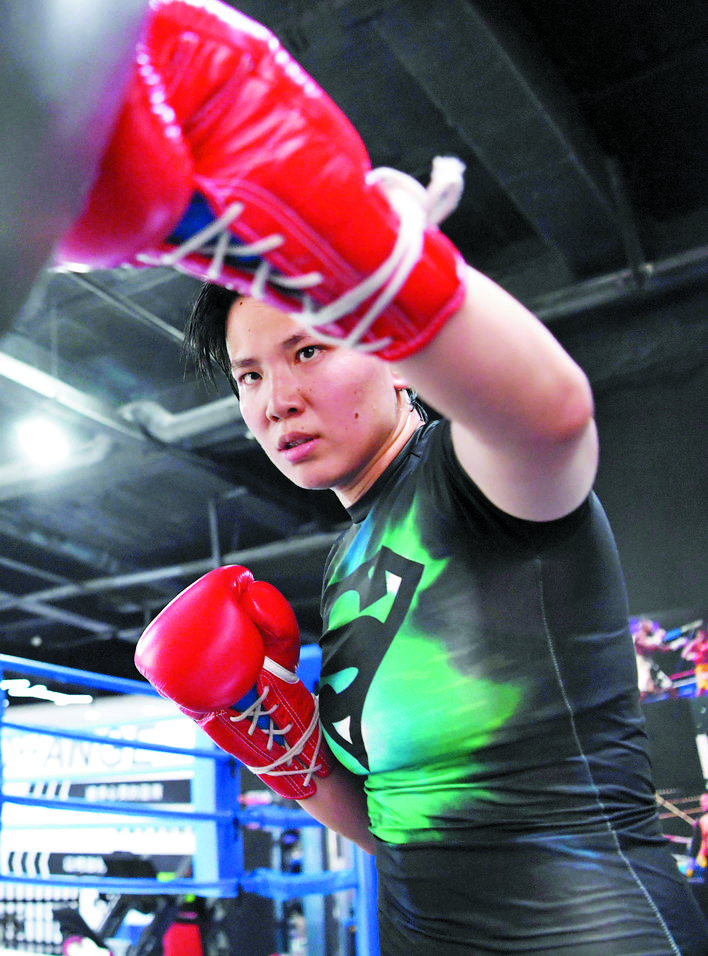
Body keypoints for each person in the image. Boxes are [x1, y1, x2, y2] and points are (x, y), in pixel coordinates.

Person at [53, 1, 708, 952]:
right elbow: (390, 828)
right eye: (249, 376)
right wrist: (272, 737)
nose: (275, 400)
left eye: (308, 350)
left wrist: (371, 265)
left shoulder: (471, 475)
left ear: (393, 359)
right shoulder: (348, 557)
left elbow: (553, 418)